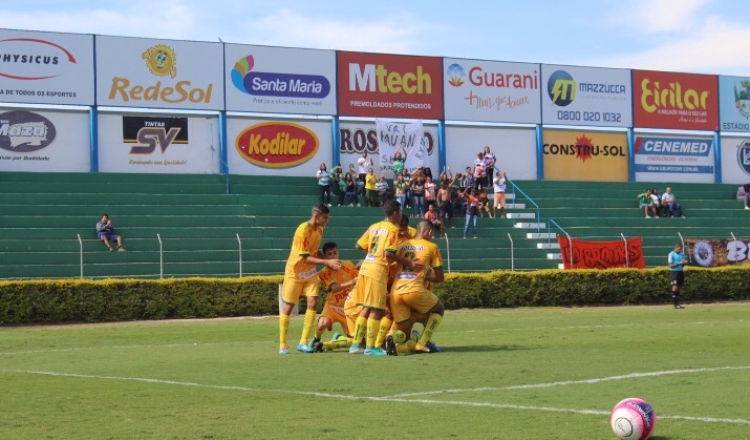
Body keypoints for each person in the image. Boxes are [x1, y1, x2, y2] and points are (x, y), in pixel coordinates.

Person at [349, 200, 420, 356]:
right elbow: (388, 253)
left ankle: (355, 345)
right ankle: (370, 347)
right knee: (376, 308)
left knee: (366, 307)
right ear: (395, 213)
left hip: (366, 267)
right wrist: (408, 261)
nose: (401, 215)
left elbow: (359, 246)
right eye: (400, 212)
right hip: (377, 270)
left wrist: (373, 253)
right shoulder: (392, 229)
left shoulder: (374, 226)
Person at [278, 203, 341, 355]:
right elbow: (305, 258)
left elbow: (314, 251)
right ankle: (282, 344)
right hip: (295, 272)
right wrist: (327, 262)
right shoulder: (302, 231)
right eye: (325, 218)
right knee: (288, 307)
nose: (327, 220)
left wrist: (328, 262)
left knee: (312, 302)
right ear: (316, 216)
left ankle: (303, 342)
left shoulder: (319, 229)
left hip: (310, 273)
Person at [386, 220, 446, 355]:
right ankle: (423, 342)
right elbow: (439, 278)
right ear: (429, 232)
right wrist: (426, 276)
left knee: (403, 334)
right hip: (414, 290)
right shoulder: (432, 247)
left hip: (396, 292)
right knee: (439, 309)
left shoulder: (402, 245)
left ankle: (390, 338)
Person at [311, 242, 359, 351]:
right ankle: (316, 339)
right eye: (329, 254)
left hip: (348, 309)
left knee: (357, 341)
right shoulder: (323, 273)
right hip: (332, 307)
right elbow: (334, 288)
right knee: (323, 323)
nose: (333, 256)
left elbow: (359, 279)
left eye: (335, 253)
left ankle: (338, 339)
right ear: (325, 257)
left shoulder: (348, 265)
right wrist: (351, 282)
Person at [668, 243, 686, 309]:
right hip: (674, 272)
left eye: (681, 249)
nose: (680, 250)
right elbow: (670, 265)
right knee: (675, 287)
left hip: (680, 272)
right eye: (679, 249)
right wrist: (679, 263)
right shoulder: (671, 254)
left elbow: (682, 265)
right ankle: (674, 304)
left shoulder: (681, 254)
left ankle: (678, 304)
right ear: (676, 247)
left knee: (678, 288)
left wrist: (683, 263)